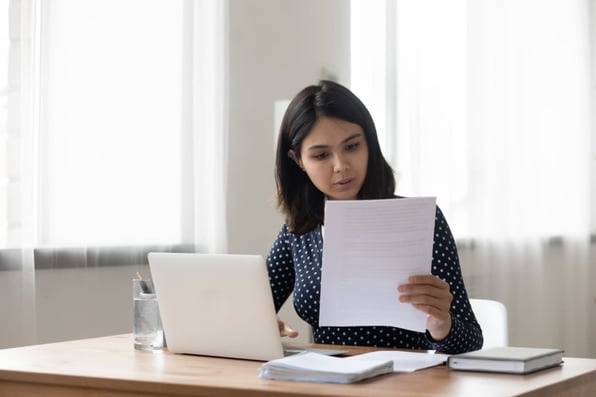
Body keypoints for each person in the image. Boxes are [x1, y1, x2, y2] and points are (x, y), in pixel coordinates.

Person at [266, 80, 483, 354]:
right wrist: (263, 327)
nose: (341, 166)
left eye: (352, 147)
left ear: (369, 144)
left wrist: (441, 325)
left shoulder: (419, 221)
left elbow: (472, 340)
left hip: (405, 384)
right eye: (321, 155)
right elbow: (251, 310)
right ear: (298, 160)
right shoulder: (298, 231)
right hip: (326, 382)